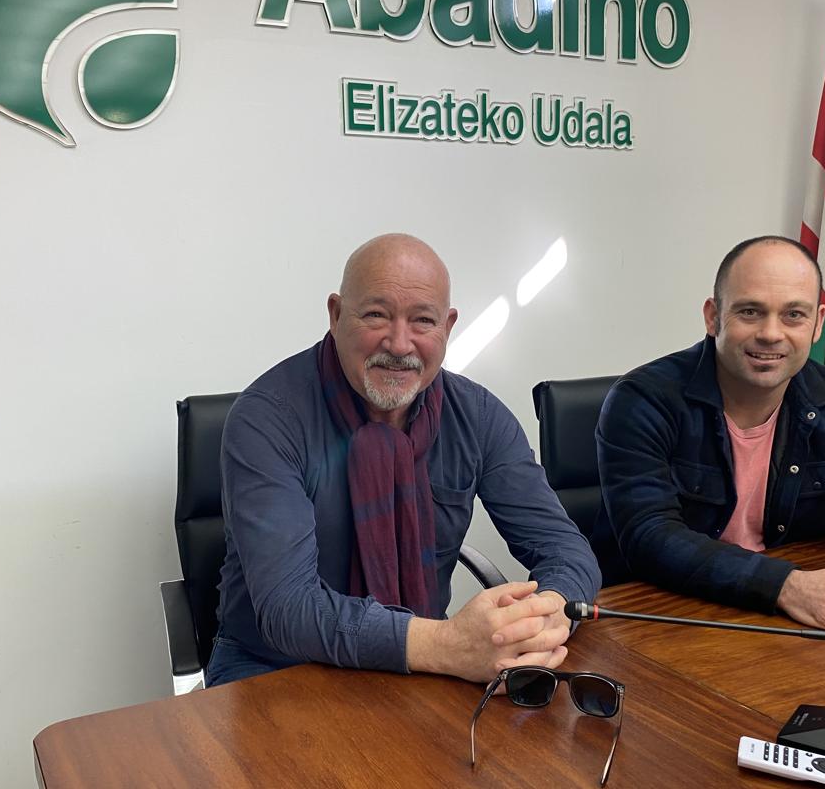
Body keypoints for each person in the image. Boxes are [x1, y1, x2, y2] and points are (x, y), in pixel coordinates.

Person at [206, 234, 600, 686]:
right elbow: (288, 609)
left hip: (421, 662)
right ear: (336, 315)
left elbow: (565, 549)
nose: (398, 343)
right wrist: (446, 645)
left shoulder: (477, 416)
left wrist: (546, 616)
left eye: (422, 321)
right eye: (376, 315)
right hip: (274, 667)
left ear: (448, 327)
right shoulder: (268, 419)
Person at [594, 235, 825, 635]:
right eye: (750, 312)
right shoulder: (643, 400)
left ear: (819, 322)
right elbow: (650, 538)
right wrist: (786, 586)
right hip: (660, 616)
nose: (771, 333)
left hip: (792, 622)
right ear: (713, 316)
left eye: (793, 315)